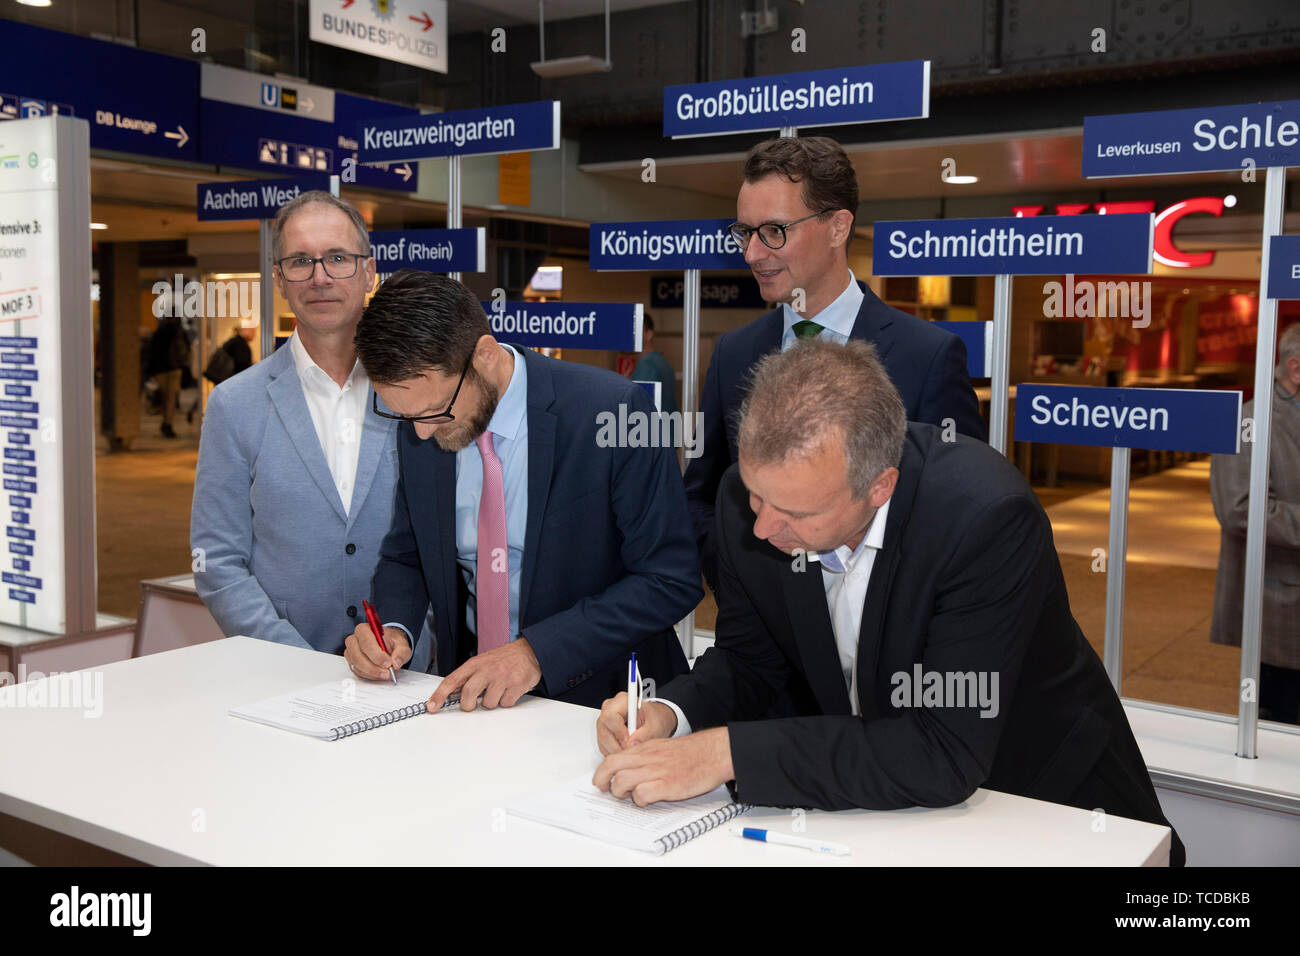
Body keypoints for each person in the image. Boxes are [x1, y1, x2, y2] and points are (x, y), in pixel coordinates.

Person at [593, 338, 1186, 867]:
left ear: (880, 486)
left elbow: (943, 749)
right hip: (882, 807)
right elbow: (751, 661)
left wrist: (724, 754)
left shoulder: (984, 519)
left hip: (1044, 803)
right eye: (756, 495)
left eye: (796, 513)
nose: (762, 529)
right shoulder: (750, 501)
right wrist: (671, 713)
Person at [344, 270, 702, 711]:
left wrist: (537, 652)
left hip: (606, 704)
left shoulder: (615, 411)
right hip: (473, 704)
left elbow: (670, 578)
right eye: (405, 416)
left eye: (436, 412)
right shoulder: (424, 417)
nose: (420, 434)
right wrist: (394, 629)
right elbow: (409, 553)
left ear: (485, 356)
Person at [684, 136, 986, 591]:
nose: (752, 254)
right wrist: (738, 580)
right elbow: (702, 497)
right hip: (764, 636)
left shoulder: (927, 356)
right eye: (745, 232)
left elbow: (961, 508)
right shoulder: (734, 354)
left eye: (774, 231)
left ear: (838, 227)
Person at [190, 191, 403, 655]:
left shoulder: (419, 391)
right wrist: (292, 660)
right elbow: (218, 562)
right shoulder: (235, 404)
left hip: (411, 674)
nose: (320, 277)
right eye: (301, 261)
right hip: (281, 676)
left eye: (338, 258)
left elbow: (451, 539)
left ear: (369, 272)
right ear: (279, 280)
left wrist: (411, 639)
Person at [1211, 322, 1300, 724]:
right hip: (1280, 605)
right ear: (1296, 368)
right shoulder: (1251, 421)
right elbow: (1240, 508)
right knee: (1280, 725)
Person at [147, 315, 190, 438]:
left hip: (163, 369)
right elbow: (186, 350)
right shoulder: (179, 332)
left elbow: (153, 352)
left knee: (166, 397)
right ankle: (167, 422)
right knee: (170, 398)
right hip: (174, 368)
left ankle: (167, 422)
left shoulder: (160, 332)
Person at [630, 314, 678, 415]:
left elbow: (638, 408)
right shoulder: (663, 362)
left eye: (635, 331)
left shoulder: (647, 364)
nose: (630, 335)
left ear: (649, 335)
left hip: (653, 428)